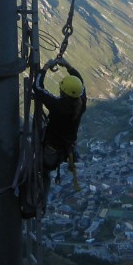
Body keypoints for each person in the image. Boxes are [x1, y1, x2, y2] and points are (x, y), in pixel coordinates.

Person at [33, 60, 87, 200]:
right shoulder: (81, 104)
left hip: (53, 149)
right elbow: (81, 84)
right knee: (45, 171)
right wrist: (70, 67)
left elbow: (38, 87)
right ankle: (40, 201)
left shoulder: (58, 106)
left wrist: (44, 69)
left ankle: (39, 202)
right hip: (65, 149)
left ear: (62, 91)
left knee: (42, 171)